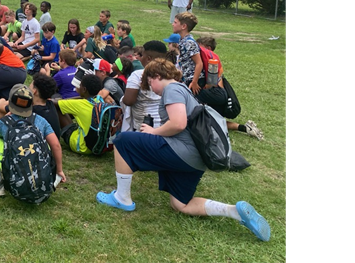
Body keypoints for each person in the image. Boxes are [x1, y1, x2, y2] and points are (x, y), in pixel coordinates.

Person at [96, 59, 271, 242]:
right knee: (181, 204)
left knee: (123, 141)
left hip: (181, 151)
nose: (150, 88)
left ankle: (121, 198)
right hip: (196, 160)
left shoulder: (172, 89)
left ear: (156, 76)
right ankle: (234, 211)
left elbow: (178, 123)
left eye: (149, 83)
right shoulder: (184, 89)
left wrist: (154, 131)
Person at [0, 84, 66, 197]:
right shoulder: (41, 120)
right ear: (31, 104)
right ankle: (45, 177)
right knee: (47, 145)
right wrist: (59, 170)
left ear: (10, 103)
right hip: (43, 185)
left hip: (16, 174)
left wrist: (7, 119)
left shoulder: (4, 122)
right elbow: (56, 145)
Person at [194, 36, 263, 140]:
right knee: (213, 120)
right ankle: (245, 128)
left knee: (206, 120)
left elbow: (212, 84)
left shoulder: (212, 61)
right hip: (219, 100)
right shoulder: (212, 62)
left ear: (208, 48)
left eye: (199, 47)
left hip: (216, 99)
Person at [120, 40, 168, 132]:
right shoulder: (171, 74)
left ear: (149, 58)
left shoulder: (138, 75)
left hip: (143, 127)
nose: (140, 58)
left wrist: (123, 98)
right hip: (165, 126)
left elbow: (129, 101)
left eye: (142, 55)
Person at [172, 12, 203, 95]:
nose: (172, 24)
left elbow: (199, 63)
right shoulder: (182, 40)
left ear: (183, 26)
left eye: (175, 22)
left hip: (193, 81)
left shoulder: (189, 42)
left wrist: (194, 82)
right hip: (186, 79)